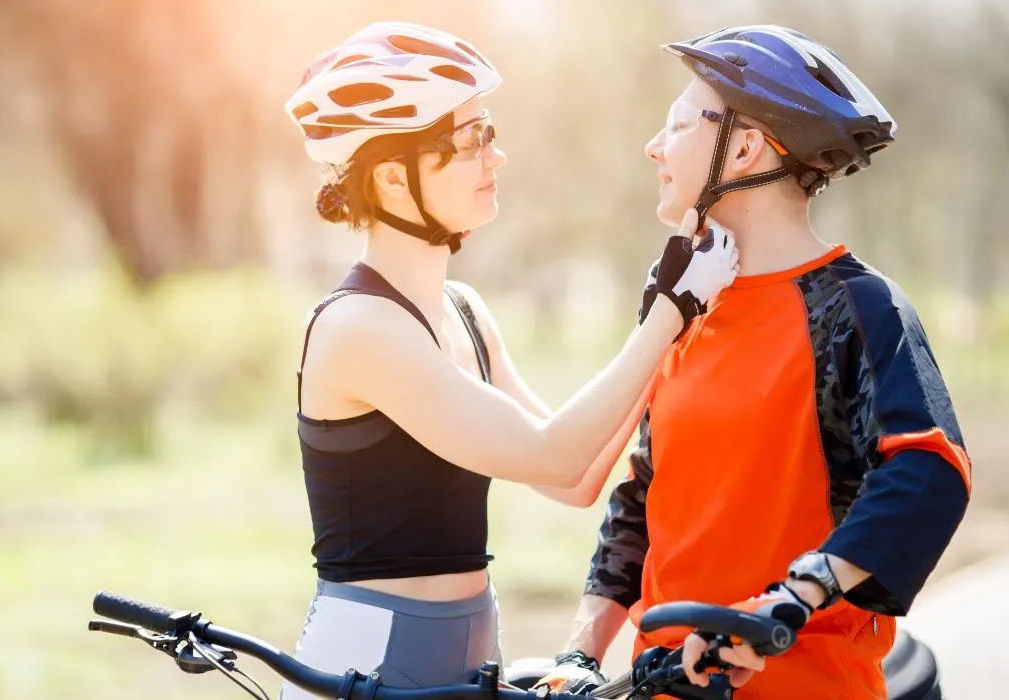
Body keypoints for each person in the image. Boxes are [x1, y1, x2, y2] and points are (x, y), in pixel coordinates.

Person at [278, 22, 740, 700]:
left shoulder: (464, 310)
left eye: (488, 133)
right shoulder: (358, 327)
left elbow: (574, 481)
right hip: (368, 664)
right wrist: (668, 309)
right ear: (393, 181)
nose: (496, 158)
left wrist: (671, 323)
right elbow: (551, 453)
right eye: (471, 142)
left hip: (473, 650)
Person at [536, 25, 970, 700]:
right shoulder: (686, 310)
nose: (654, 145)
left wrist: (792, 598)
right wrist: (580, 652)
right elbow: (640, 503)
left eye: (678, 124)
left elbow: (928, 470)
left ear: (742, 148)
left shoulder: (855, 308)